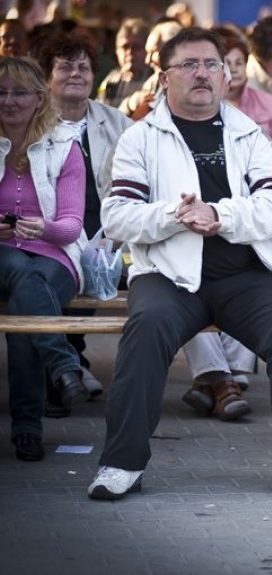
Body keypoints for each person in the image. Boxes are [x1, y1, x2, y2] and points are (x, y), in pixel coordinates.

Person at [87, 28, 272, 501]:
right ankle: (120, 462)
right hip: (168, 276)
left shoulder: (248, 134)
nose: (202, 73)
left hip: (243, 275)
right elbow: (117, 214)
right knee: (145, 328)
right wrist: (174, 215)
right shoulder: (139, 138)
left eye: (211, 65)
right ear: (163, 79)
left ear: (225, 75)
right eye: (189, 65)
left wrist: (219, 214)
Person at [38, 33, 133, 410]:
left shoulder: (117, 122)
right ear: (47, 76)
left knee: (100, 260)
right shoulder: (33, 122)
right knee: (56, 270)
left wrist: (115, 234)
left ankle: (68, 365)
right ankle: (67, 368)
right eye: (65, 66)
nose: (76, 73)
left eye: (83, 66)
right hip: (54, 232)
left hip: (111, 232)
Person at [0, 56, 89, 461]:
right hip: (3, 254)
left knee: (25, 294)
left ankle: (27, 428)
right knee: (19, 271)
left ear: (39, 98)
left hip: (54, 254)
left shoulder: (64, 147)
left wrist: (42, 228)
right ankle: (63, 365)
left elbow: (71, 226)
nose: (9, 101)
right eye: (1, 92)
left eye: (19, 92)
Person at [217, 27, 272, 161]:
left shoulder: (266, 100)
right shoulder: (208, 105)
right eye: (227, 64)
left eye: (239, 63)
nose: (234, 70)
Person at [96, 19, 151, 110]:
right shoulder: (110, 82)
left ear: (148, 49)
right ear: (117, 51)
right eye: (125, 47)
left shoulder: (155, 80)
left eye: (136, 47)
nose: (129, 52)